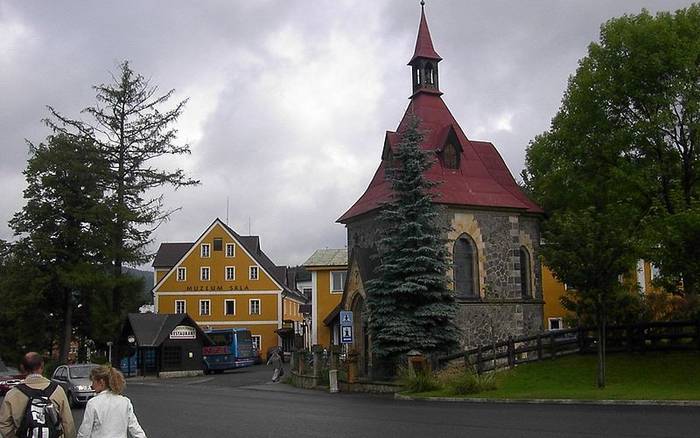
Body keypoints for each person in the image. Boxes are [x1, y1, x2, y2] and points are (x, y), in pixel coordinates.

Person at [0, 352, 76, 438]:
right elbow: (68, 423)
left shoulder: (13, 394)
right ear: (42, 366)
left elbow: (4, 424)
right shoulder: (57, 390)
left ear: (23, 368)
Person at [76, 365, 146, 438]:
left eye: (93, 382)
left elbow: (85, 432)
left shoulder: (93, 403)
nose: (92, 385)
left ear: (101, 382)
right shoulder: (125, 402)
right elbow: (135, 429)